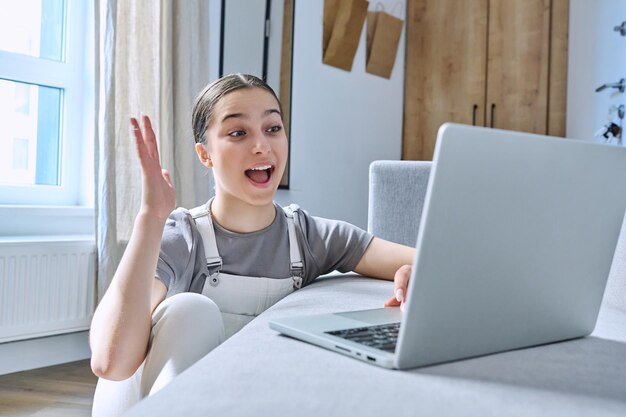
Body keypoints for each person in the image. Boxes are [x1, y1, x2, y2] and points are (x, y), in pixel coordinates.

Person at [89, 74, 415, 416]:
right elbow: (111, 363)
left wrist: (412, 272)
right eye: (238, 133)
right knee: (191, 311)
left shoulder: (307, 237)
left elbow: (433, 263)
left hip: (239, 402)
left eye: (273, 128)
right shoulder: (182, 236)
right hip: (145, 401)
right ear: (205, 154)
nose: (262, 145)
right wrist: (151, 219)